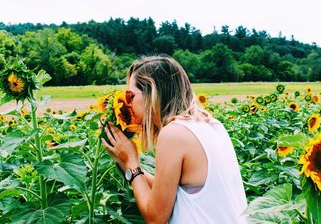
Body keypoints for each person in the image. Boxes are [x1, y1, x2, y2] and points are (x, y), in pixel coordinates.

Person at [102, 55, 248, 224]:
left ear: (152, 92)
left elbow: (156, 218)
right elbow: (166, 191)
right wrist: (124, 161)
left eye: (130, 95)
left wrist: (132, 162)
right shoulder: (211, 125)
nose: (127, 104)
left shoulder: (174, 134)